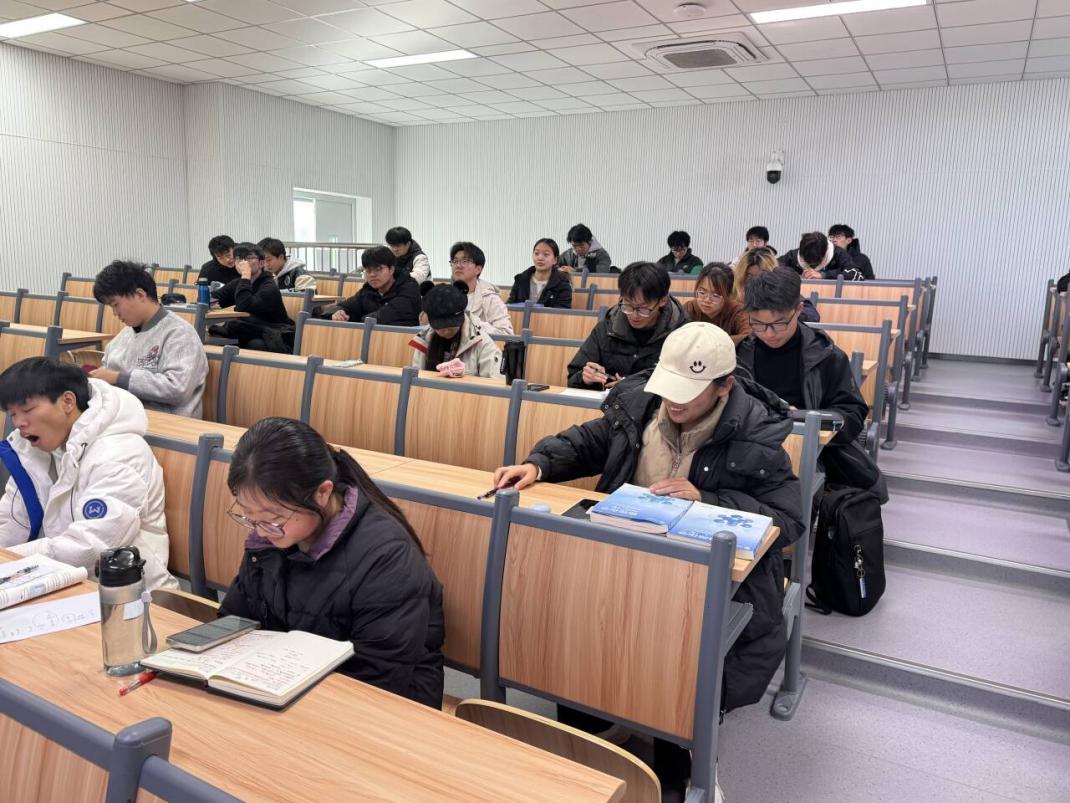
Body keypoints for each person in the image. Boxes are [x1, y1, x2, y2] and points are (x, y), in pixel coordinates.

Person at [493, 322, 803, 798]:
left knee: (672, 645)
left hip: (705, 579)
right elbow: (588, 441)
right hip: (624, 557)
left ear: (724, 386)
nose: (673, 402)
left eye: (688, 393)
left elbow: (788, 517)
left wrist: (707, 499)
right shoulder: (640, 406)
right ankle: (593, 725)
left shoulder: (755, 433)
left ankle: (678, 753)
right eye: (669, 388)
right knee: (565, 611)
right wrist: (539, 463)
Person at [217, 417, 444, 708]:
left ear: (322, 493)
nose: (260, 531)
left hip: (382, 707)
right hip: (288, 689)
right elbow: (237, 618)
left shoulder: (387, 558)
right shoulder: (271, 539)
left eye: (273, 518)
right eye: (249, 516)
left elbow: (379, 678)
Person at [0, 358, 176, 591]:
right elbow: (11, 520)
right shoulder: (33, 451)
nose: (18, 423)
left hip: (130, 595)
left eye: (27, 410)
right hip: (62, 581)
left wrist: (11, 560)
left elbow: (89, 547)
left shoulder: (120, 454)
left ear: (67, 401)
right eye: (12, 414)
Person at [737, 268, 885, 499]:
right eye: (758, 324)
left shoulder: (826, 356)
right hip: (747, 450)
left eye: (779, 324)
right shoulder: (739, 354)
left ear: (798, 310)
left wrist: (804, 418)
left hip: (811, 455)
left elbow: (853, 414)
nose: (769, 334)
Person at [91, 261, 209, 418]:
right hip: (126, 418)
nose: (115, 313)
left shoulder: (180, 334)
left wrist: (118, 378)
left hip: (169, 422)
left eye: (116, 304)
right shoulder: (122, 337)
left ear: (140, 295)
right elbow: (107, 372)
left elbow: (178, 388)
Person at [566, 261, 686, 390]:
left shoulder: (682, 335)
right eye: (627, 305)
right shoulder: (607, 329)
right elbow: (573, 377)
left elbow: (683, 386)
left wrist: (633, 387)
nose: (634, 315)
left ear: (663, 300)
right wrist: (584, 378)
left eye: (643, 309)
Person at [211, 242, 294, 353]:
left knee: (255, 344)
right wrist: (212, 303)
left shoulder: (269, 286)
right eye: (238, 258)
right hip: (250, 330)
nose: (243, 262)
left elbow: (244, 306)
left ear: (261, 263)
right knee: (217, 338)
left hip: (275, 335)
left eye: (248, 258)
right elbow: (213, 297)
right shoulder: (238, 283)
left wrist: (246, 275)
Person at [410, 282, 502, 378]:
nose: (446, 331)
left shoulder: (481, 342)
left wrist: (464, 378)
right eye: (440, 327)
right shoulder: (424, 340)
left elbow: (495, 381)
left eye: (451, 325)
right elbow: (416, 378)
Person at [327, 246, 420, 326]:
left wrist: (356, 320)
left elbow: (383, 317)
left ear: (391, 270)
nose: (372, 274)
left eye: (378, 269)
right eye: (368, 270)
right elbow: (346, 306)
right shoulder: (368, 291)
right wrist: (338, 313)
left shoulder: (409, 288)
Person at [736, 247, 820, 323]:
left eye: (762, 275)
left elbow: (813, 316)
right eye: (750, 276)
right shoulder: (734, 295)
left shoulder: (782, 291)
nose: (756, 281)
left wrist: (781, 309)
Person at [450, 241, 513, 336]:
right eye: (455, 261)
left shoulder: (490, 298)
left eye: (465, 261)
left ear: (478, 269)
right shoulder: (445, 295)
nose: (458, 266)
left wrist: (472, 323)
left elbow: (506, 334)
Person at [683, 262, 750, 344]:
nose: (707, 300)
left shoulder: (738, 312)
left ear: (729, 295)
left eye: (715, 295)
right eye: (702, 292)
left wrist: (710, 343)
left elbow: (748, 337)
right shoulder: (690, 308)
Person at [507, 238, 573, 308]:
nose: (540, 258)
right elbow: (509, 306)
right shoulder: (520, 280)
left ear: (555, 260)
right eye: (536, 253)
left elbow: (562, 311)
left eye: (546, 254)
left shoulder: (563, 285)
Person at [779, 231, 863, 281]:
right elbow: (774, 267)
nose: (811, 266)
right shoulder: (793, 255)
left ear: (825, 254)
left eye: (814, 263)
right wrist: (795, 276)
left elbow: (856, 274)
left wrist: (824, 275)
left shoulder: (838, 254)